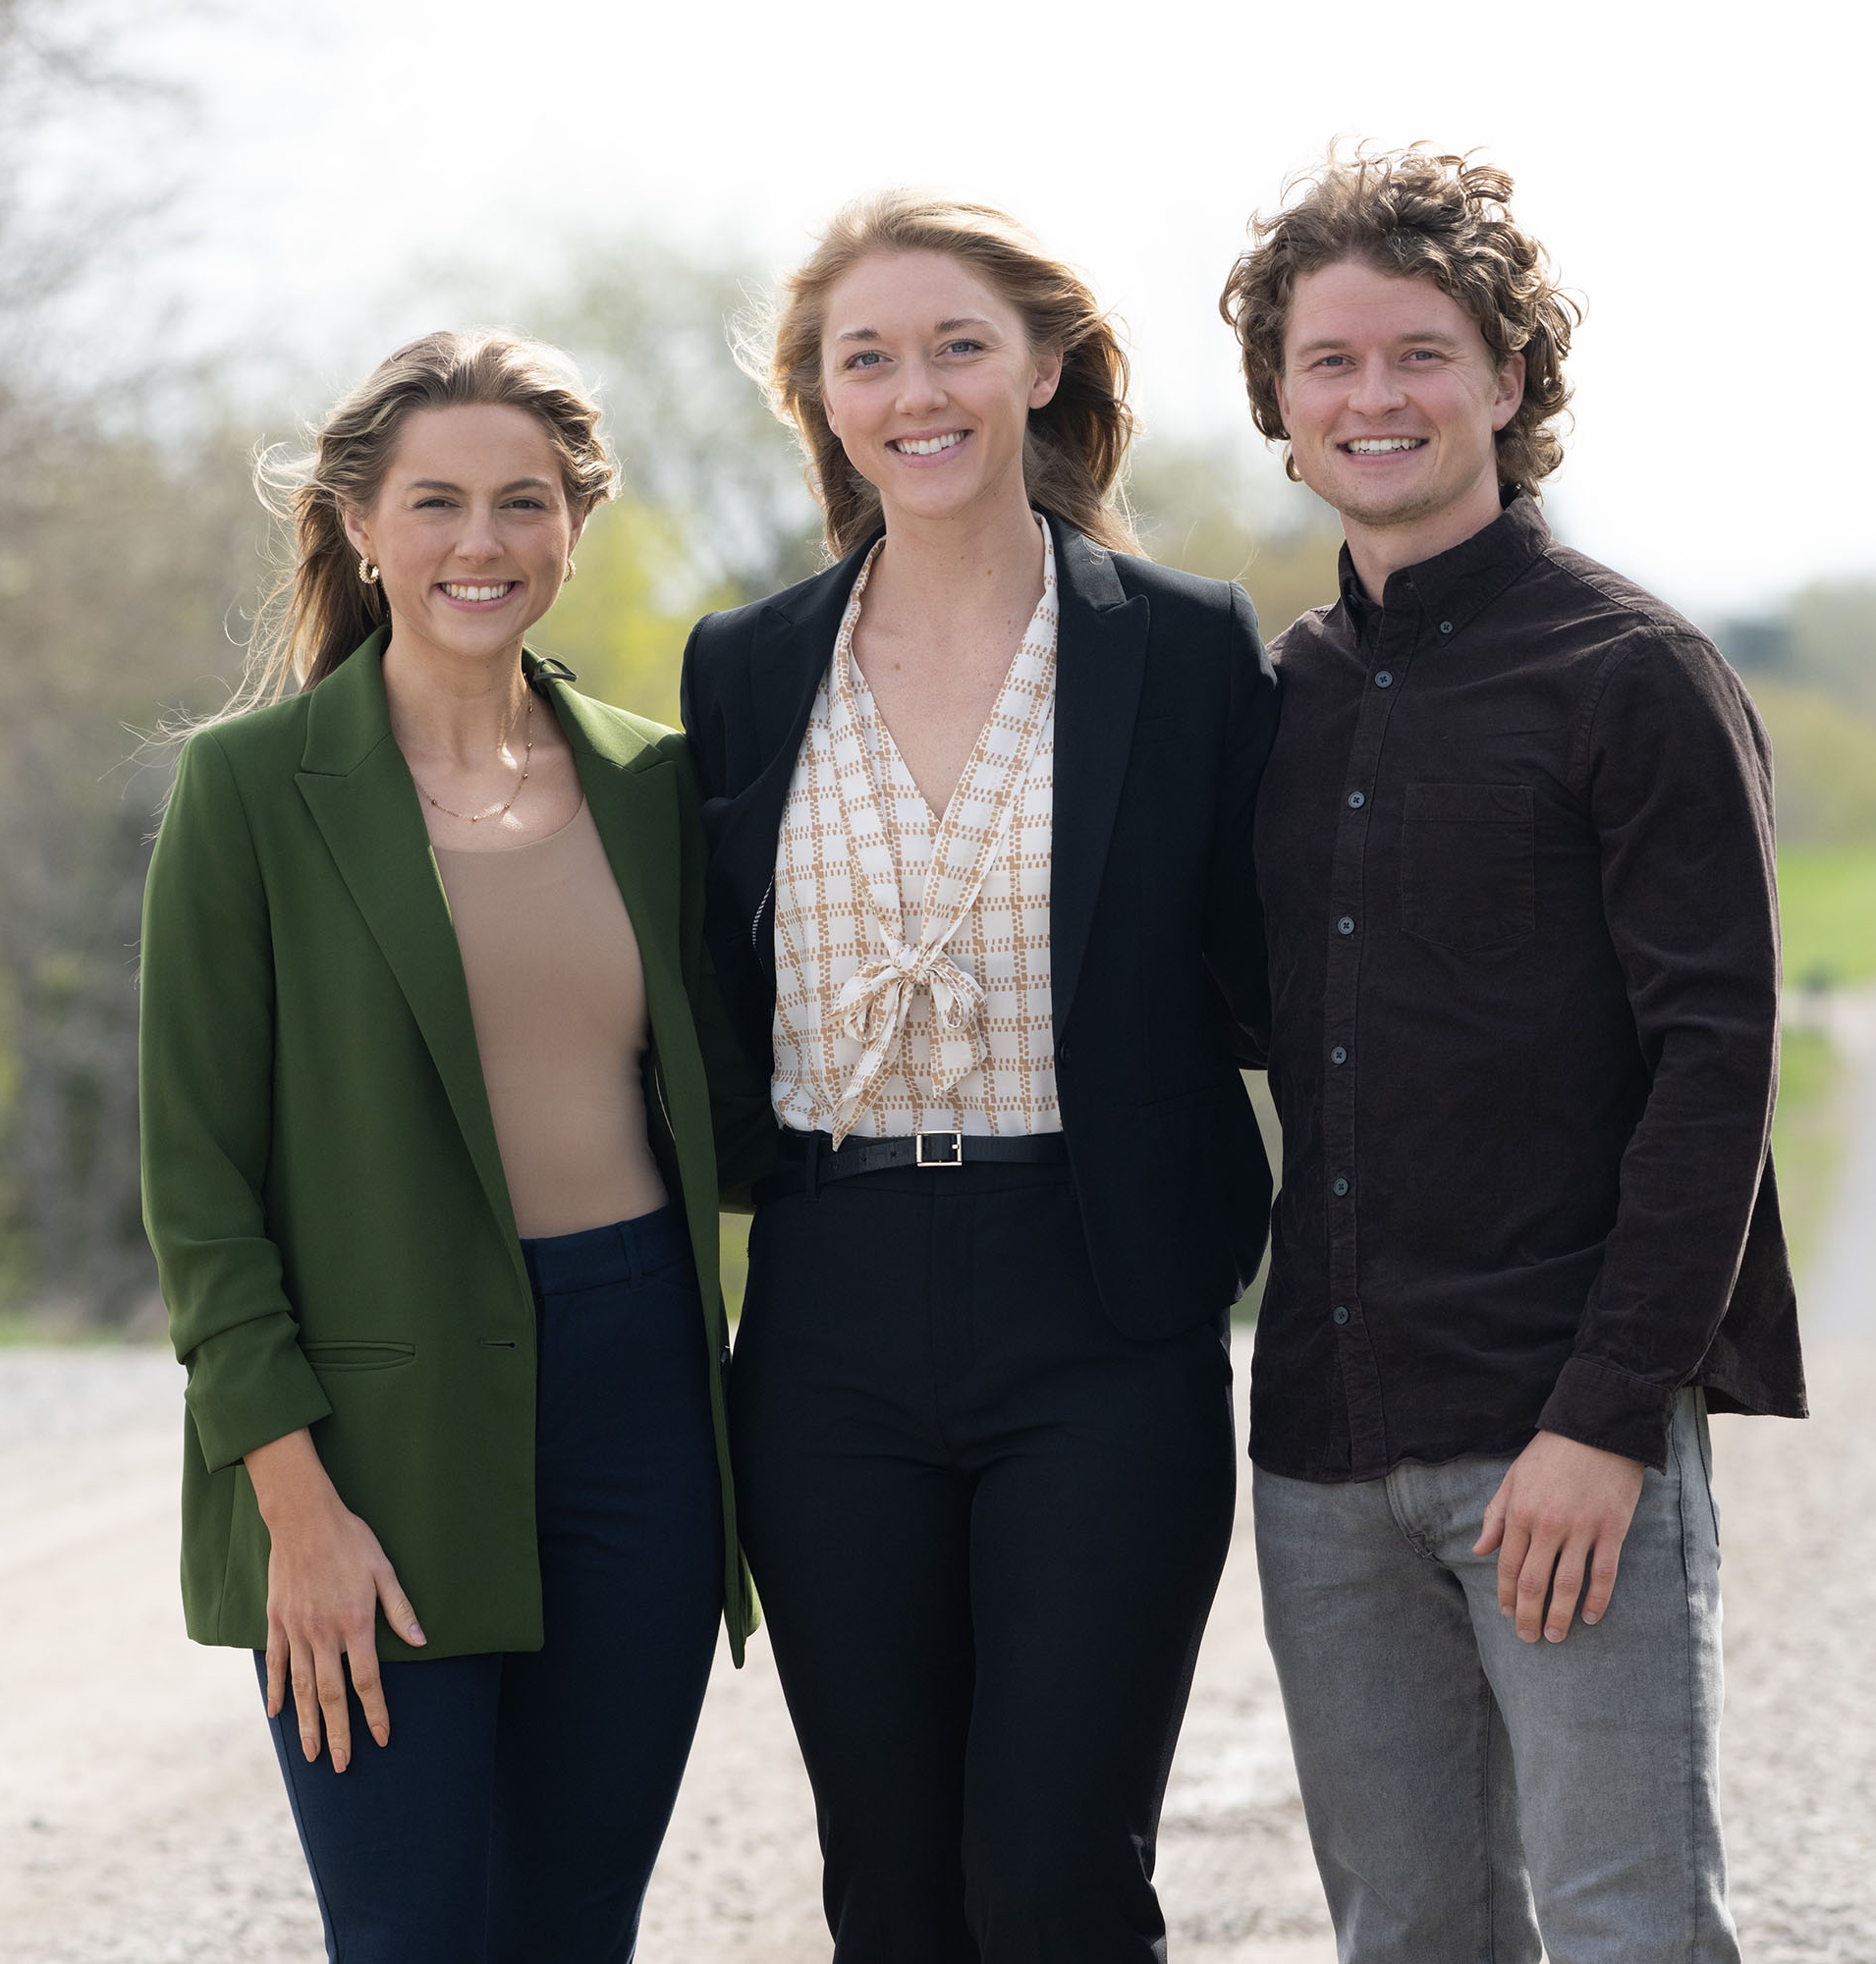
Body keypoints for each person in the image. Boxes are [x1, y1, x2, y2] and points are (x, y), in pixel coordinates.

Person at [1218, 148, 1806, 1962]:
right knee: (1407, 1936)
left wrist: (1607, 1417)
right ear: (1282, 409)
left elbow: (1718, 1074)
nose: (1372, 398)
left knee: (1632, 1929)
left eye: (1419, 354)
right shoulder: (1284, 697)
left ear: (1510, 380)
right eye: (1330, 363)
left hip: (1558, 1446)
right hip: (1322, 1455)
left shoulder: (1635, 675)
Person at [678, 192, 1278, 1961]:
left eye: (956, 345)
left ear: (1042, 366)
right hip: (832, 1312)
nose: (914, 390)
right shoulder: (745, 665)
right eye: (867, 357)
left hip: (1101, 1309)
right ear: (824, 401)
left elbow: (1276, 978)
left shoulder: (1181, 648)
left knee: (1059, 1878)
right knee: (890, 1883)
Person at [138, 329, 776, 1963]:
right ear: (360, 522)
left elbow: (736, 1099)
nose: (478, 545)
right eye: (435, 503)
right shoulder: (250, 790)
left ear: (576, 525)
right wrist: (297, 1505)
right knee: (412, 1936)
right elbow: (199, 1191)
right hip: (371, 1435)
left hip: (639, 1400)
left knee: (572, 1933)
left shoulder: (654, 781)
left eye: (522, 504)